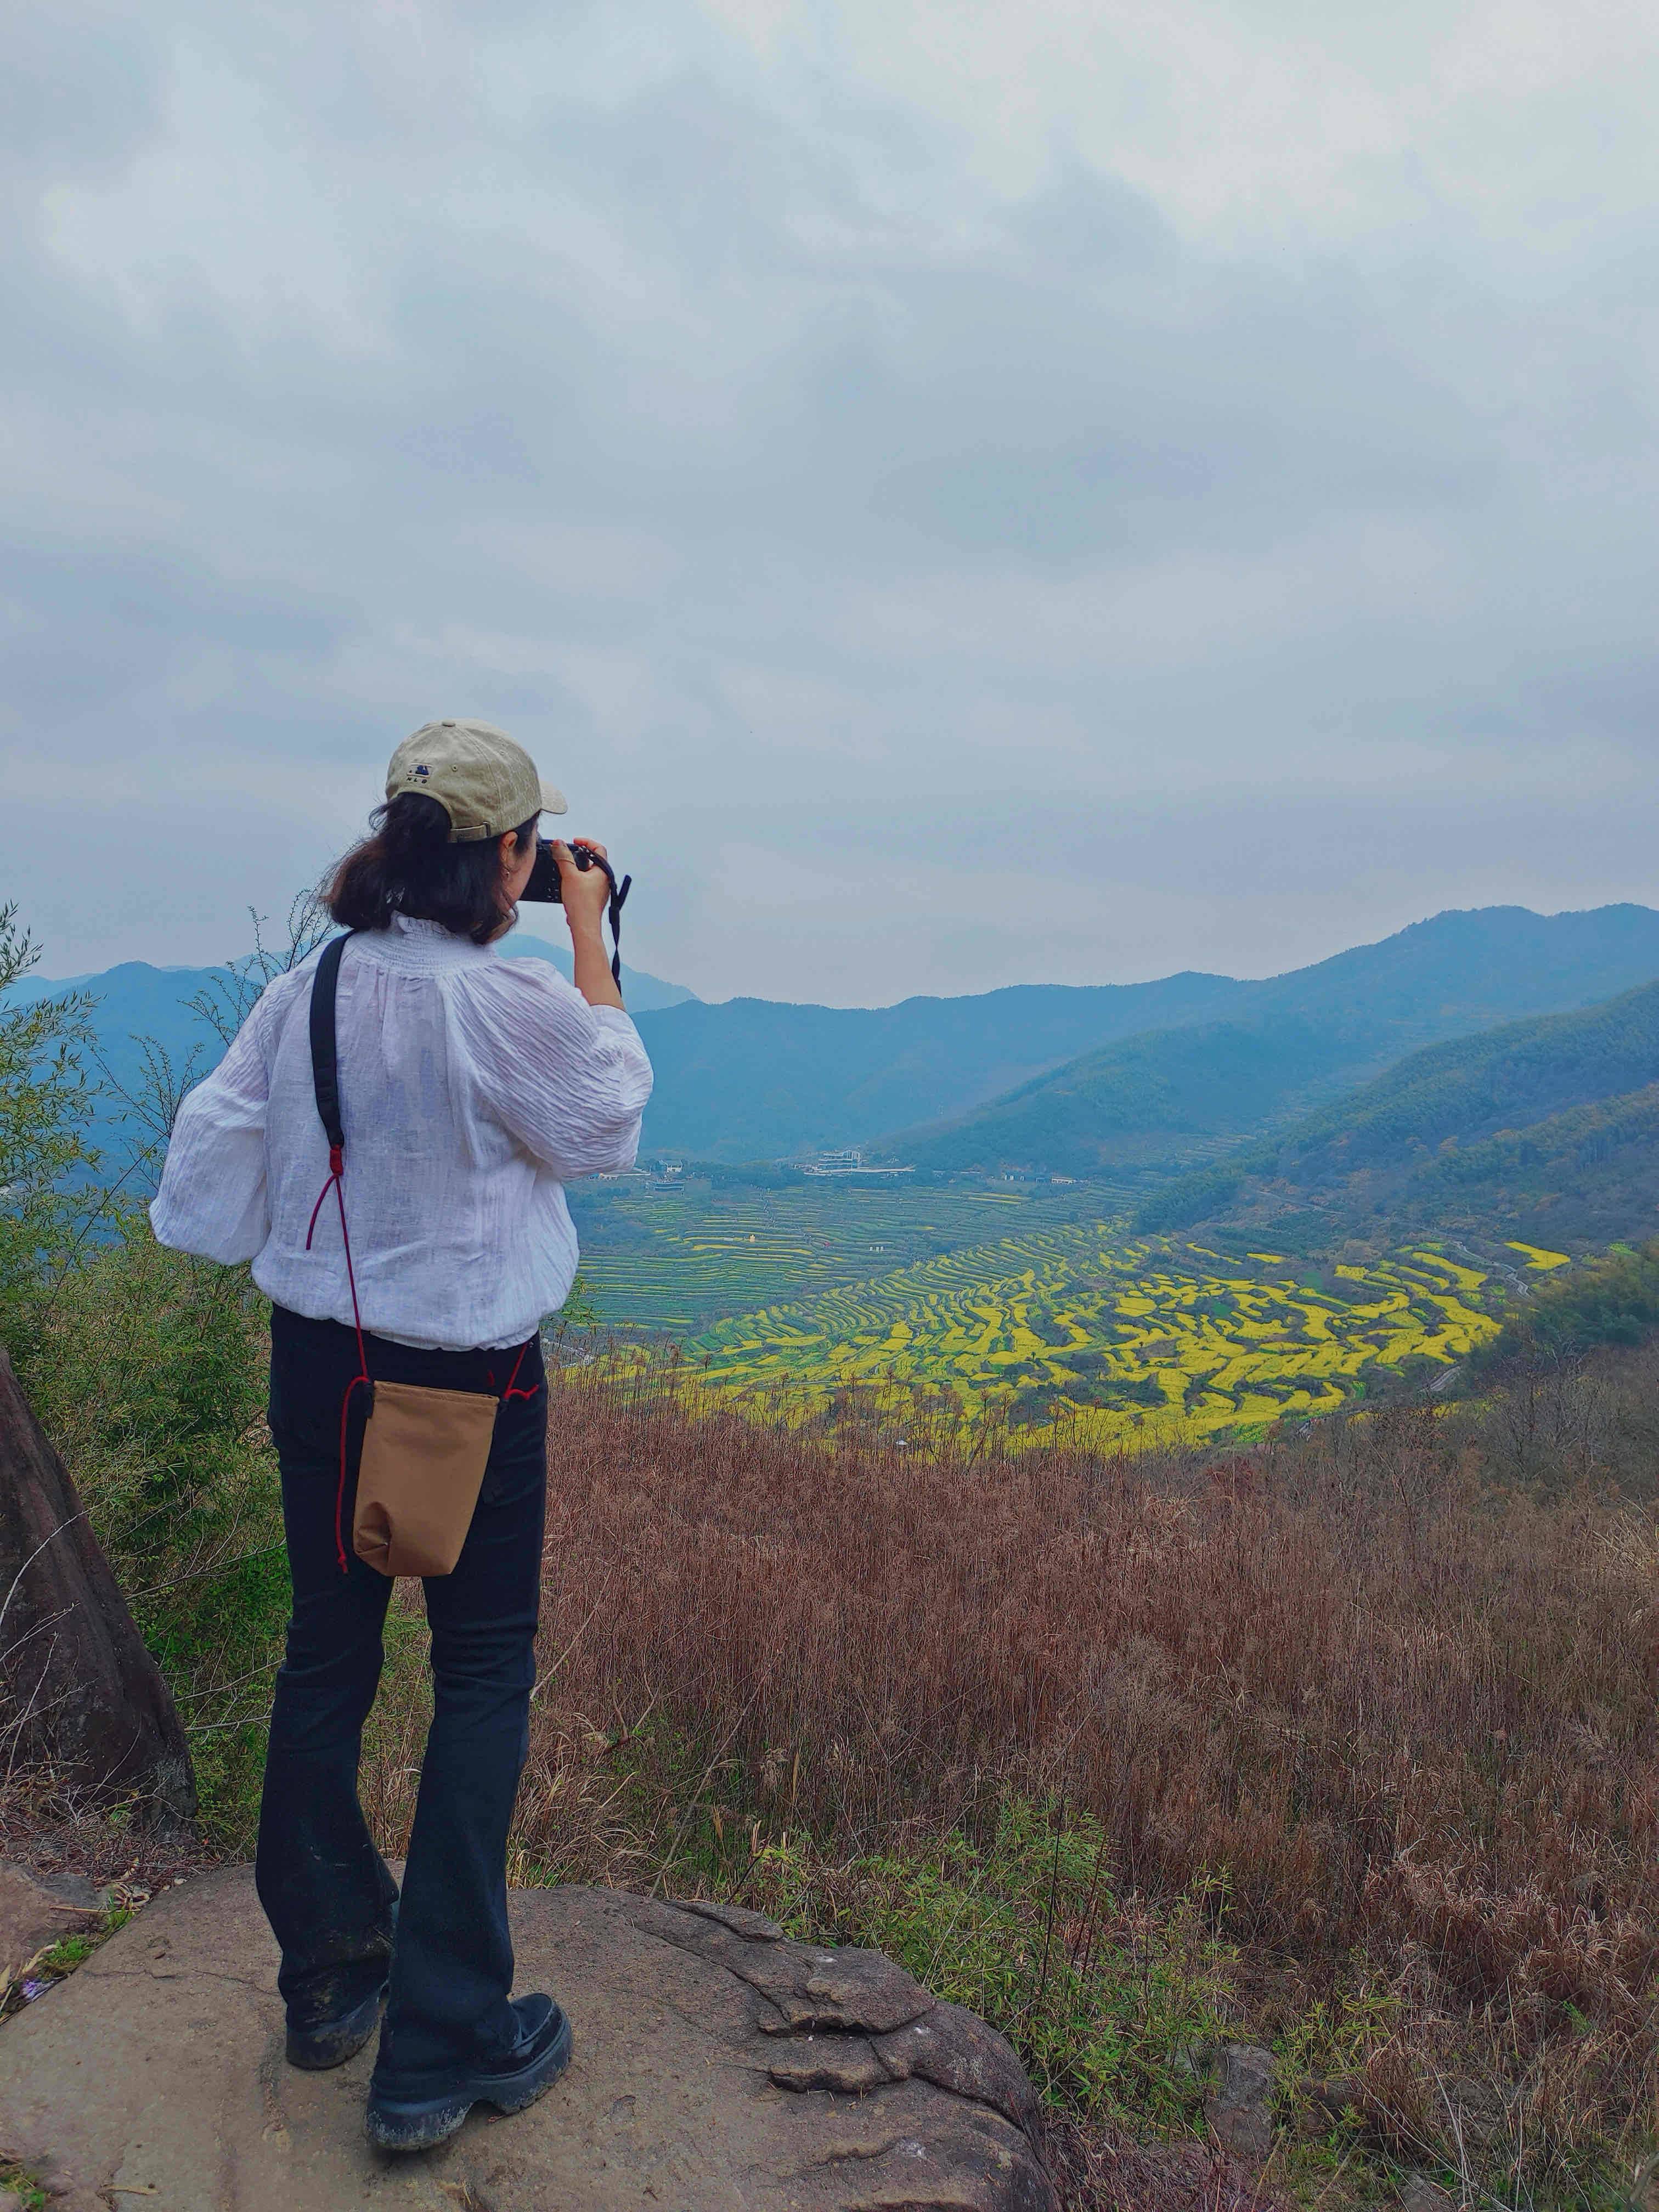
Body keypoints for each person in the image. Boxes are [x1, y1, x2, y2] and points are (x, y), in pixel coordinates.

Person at [151, 719, 653, 2151]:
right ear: (507, 855)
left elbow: (212, 1156)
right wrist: (594, 934)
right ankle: (441, 2045)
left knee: (330, 1653)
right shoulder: (495, 1004)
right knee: (482, 1671)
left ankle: (328, 1978)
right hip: (471, 1387)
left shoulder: (310, 990)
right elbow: (606, 1116)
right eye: (530, 846)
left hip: (322, 1368)